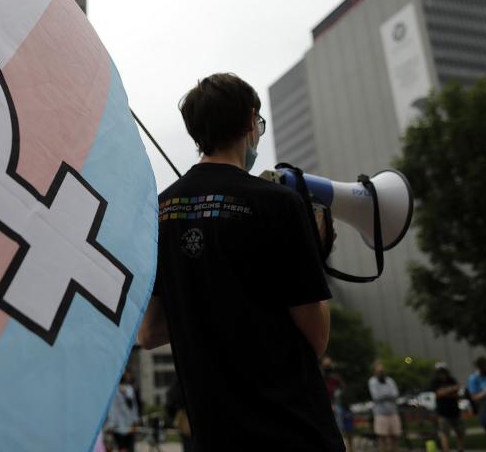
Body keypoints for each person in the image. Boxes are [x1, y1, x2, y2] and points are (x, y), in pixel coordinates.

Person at [138, 73, 343, 451]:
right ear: (251, 122)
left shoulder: (159, 212)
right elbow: (317, 337)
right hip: (293, 432)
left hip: (213, 435)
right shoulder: (279, 203)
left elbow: (148, 332)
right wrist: (317, 252)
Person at [430, 362, 465, 452]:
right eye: (440, 371)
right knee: (444, 433)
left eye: (443, 370)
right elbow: (438, 394)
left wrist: (445, 392)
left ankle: (460, 449)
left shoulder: (451, 380)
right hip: (443, 412)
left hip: (455, 410)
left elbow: (457, 392)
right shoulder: (435, 381)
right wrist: (451, 390)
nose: (442, 373)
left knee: (460, 432)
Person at [322, 357, 354, 452]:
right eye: (326, 365)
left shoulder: (337, 377)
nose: (328, 367)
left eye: (329, 364)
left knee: (349, 430)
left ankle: (351, 449)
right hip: (329, 408)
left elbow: (344, 390)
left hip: (343, 407)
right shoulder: (321, 378)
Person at [368, 361, 401, 452]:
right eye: (379, 371)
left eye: (382, 370)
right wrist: (388, 395)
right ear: (375, 371)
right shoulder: (372, 381)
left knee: (395, 437)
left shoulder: (390, 380)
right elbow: (376, 396)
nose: (381, 372)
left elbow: (395, 394)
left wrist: (383, 395)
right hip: (380, 414)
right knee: (382, 438)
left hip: (393, 413)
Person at [105, 371, 141, 452]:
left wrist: (111, 424)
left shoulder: (114, 391)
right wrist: (135, 421)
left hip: (118, 426)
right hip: (128, 425)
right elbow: (134, 408)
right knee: (128, 448)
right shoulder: (130, 389)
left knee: (122, 448)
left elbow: (112, 409)